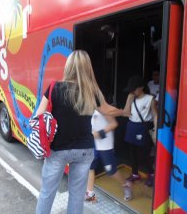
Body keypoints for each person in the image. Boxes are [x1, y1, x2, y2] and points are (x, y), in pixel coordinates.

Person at [35, 50, 128, 214]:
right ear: (87, 68)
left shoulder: (54, 88)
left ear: (68, 66)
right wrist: (123, 111)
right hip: (84, 150)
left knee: (47, 194)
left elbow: (39, 116)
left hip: (58, 150)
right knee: (77, 196)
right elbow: (107, 110)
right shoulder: (91, 91)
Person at [85, 111, 132, 202]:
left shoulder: (103, 108)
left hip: (105, 146)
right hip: (93, 144)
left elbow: (114, 124)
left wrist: (98, 134)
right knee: (90, 168)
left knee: (111, 171)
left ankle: (126, 184)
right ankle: (90, 194)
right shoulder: (88, 106)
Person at [123, 76, 158, 187]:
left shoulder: (150, 99)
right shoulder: (131, 97)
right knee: (132, 153)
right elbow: (126, 113)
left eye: (134, 89)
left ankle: (151, 174)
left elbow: (155, 115)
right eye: (131, 89)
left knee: (144, 155)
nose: (132, 91)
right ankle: (134, 174)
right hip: (131, 126)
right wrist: (129, 99)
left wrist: (156, 131)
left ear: (142, 87)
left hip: (143, 127)